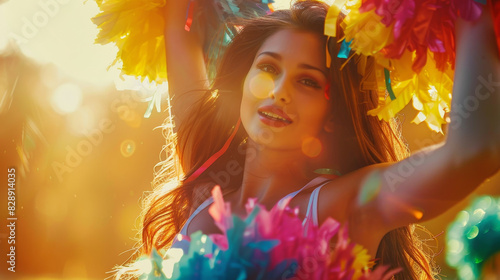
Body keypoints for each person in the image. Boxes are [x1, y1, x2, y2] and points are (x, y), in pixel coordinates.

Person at [123, 0, 500, 279]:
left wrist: (469, 10)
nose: (279, 92)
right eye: (269, 68)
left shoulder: (344, 208)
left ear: (333, 116)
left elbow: (473, 151)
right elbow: (181, 23)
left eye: (308, 81)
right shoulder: (204, 192)